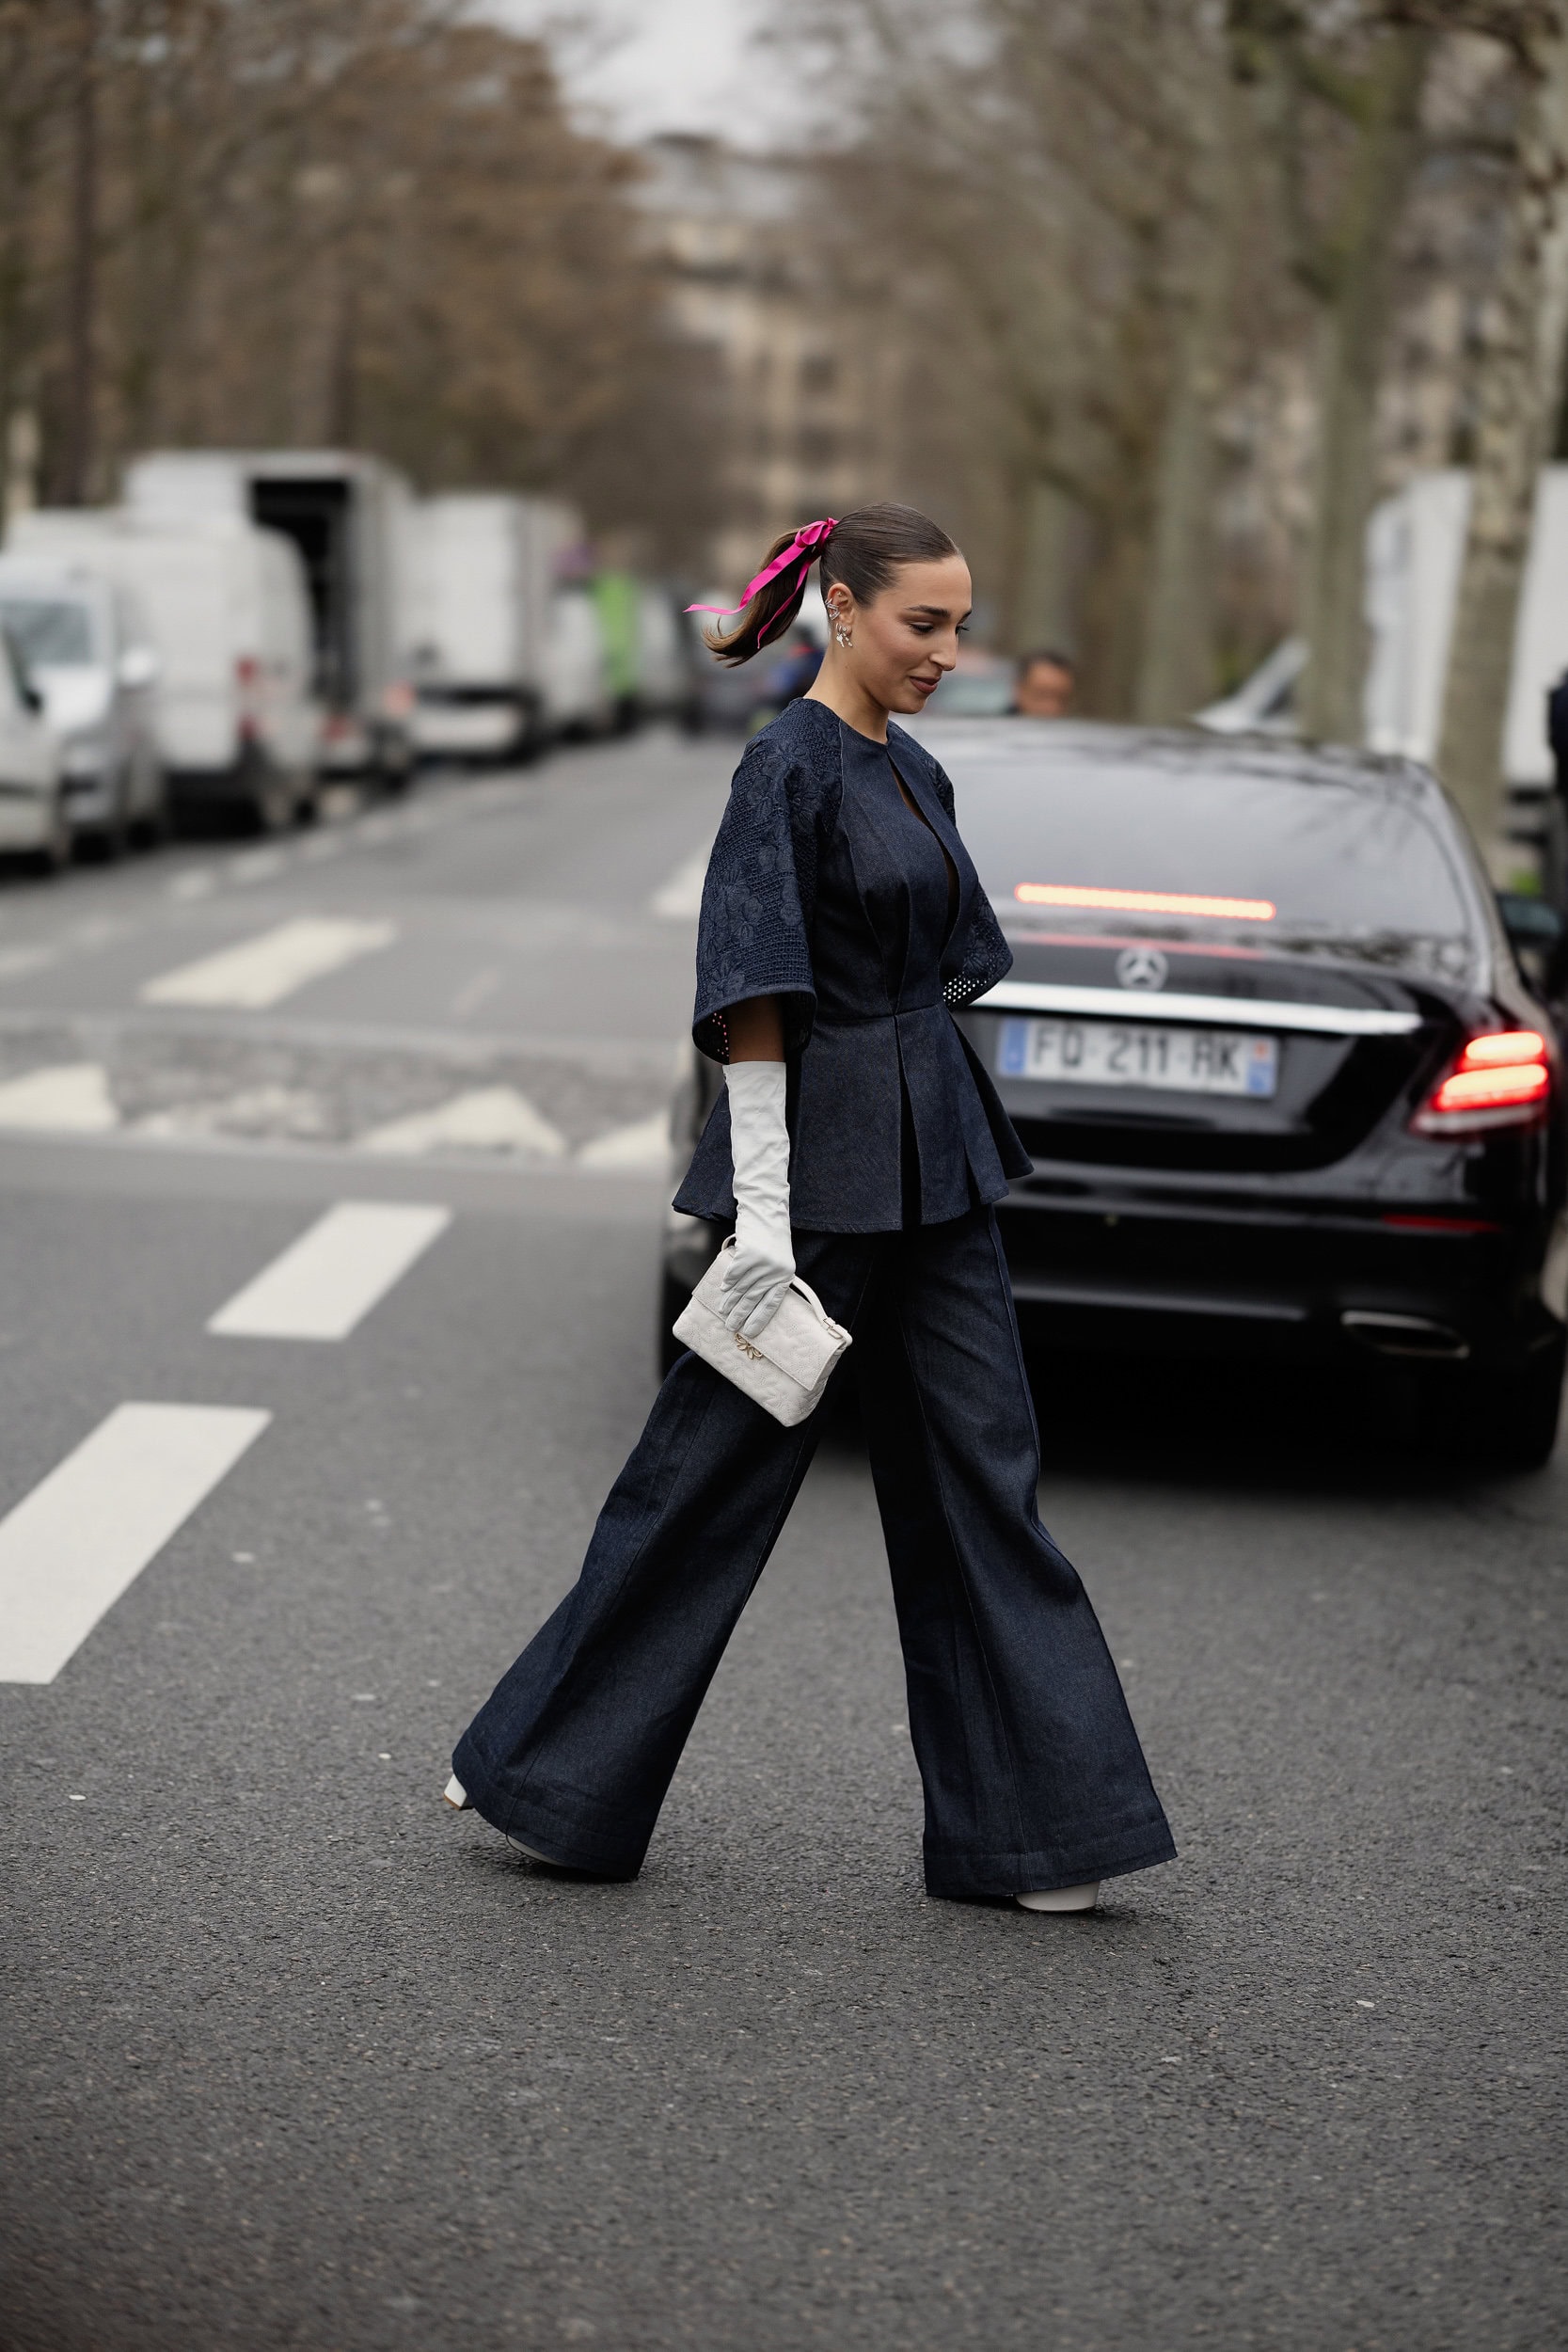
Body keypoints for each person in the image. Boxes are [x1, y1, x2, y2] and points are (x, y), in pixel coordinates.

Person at [445, 504, 1174, 1915]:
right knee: (704, 1484)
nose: (947, 652)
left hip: (935, 1163)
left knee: (985, 1476)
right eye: (923, 624)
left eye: (960, 626)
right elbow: (753, 996)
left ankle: (1035, 1832)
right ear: (840, 609)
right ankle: (539, 1770)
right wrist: (763, 1221)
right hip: (815, 1173)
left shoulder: (912, 771)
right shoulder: (780, 768)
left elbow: (945, 968)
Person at [1013, 647, 1076, 719]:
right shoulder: (999, 725)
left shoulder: (1078, 727)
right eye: (1041, 695)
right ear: (1019, 691)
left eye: (1062, 699)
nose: (1051, 708)